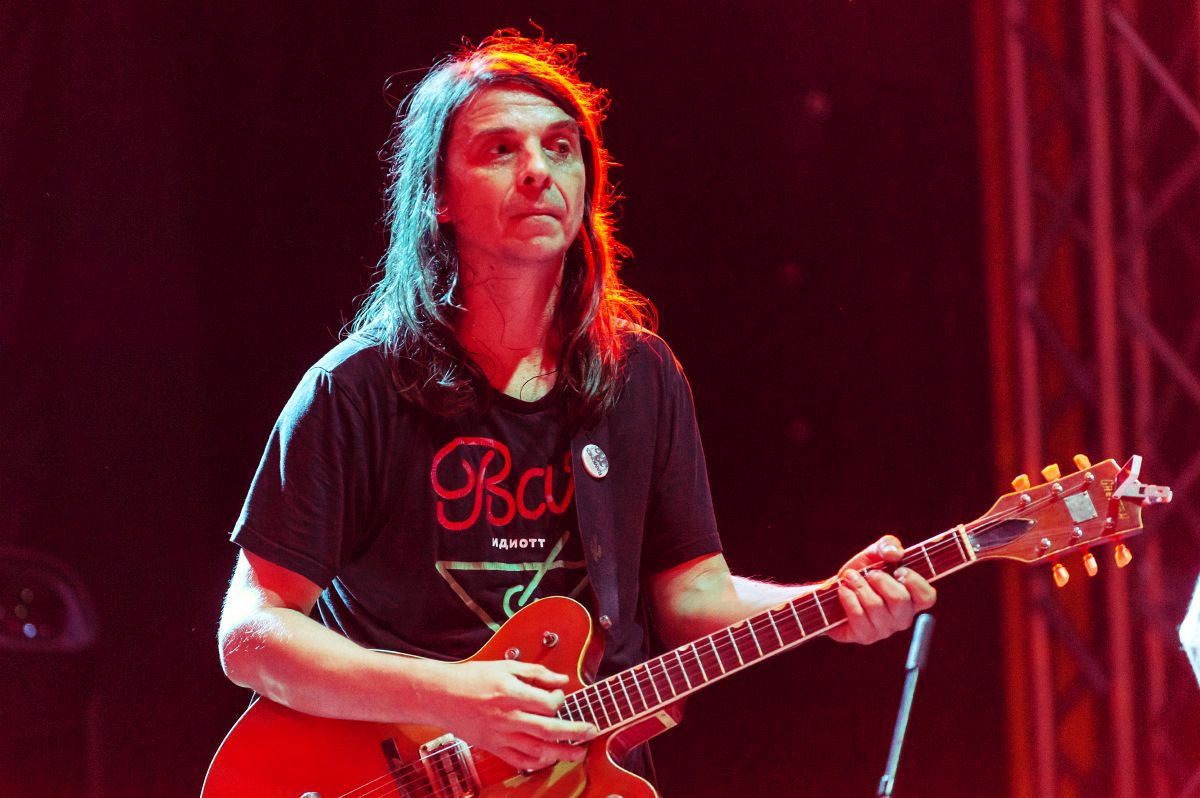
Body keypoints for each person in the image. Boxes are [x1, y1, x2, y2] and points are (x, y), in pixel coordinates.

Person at [217, 32, 937, 783]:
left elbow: (694, 594)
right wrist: (451, 695)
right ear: (438, 196)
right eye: (500, 150)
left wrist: (827, 605)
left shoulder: (640, 375)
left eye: (560, 147)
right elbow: (251, 634)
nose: (538, 169)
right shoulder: (357, 390)